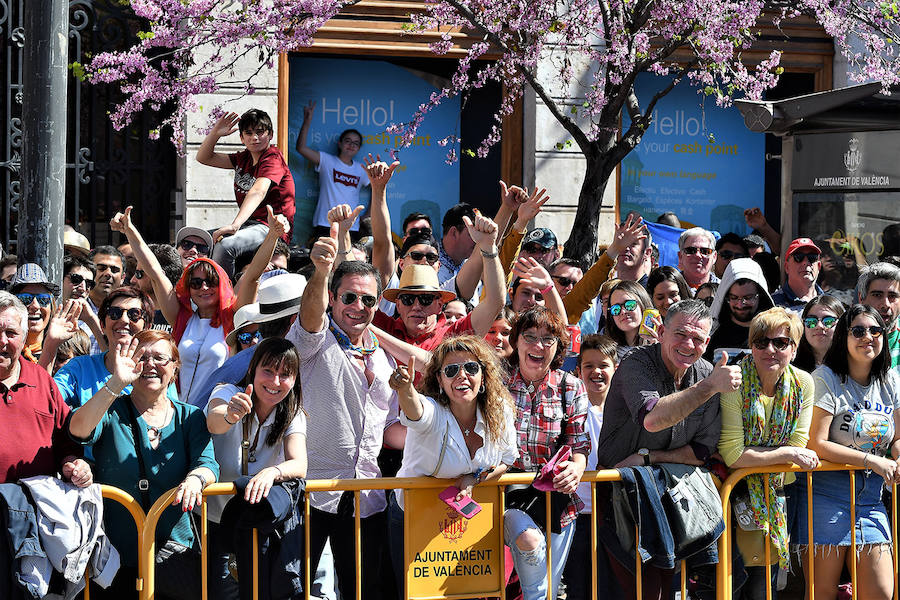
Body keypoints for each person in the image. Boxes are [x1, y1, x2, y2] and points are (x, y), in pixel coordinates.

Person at [286, 226, 404, 599]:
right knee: (298, 590)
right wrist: (320, 272)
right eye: (349, 297)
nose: (359, 307)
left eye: (368, 301)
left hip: (366, 496)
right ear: (333, 299)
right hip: (312, 494)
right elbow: (309, 318)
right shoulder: (314, 339)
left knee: (362, 590)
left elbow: (388, 429)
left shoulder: (383, 358)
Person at [597, 299, 739, 598]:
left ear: (708, 342)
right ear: (660, 331)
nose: (688, 344)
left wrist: (651, 457)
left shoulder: (707, 373)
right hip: (622, 499)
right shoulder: (637, 362)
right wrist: (708, 388)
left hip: (677, 500)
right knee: (641, 592)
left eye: (698, 338)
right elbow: (653, 419)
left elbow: (701, 451)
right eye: (680, 334)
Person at [67, 330, 219, 600]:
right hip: (115, 558)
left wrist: (196, 479)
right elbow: (78, 429)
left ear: (174, 367)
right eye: (142, 357)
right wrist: (116, 382)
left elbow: (208, 464)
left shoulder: (190, 416)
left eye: (160, 358)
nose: (150, 364)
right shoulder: (111, 410)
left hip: (174, 555)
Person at [110, 205, 285, 405]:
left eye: (211, 281)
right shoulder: (182, 317)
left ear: (221, 285)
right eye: (196, 283)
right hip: (174, 412)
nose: (204, 287)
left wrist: (273, 235)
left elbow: (253, 275)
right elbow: (155, 273)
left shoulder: (234, 317)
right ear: (188, 289)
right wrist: (130, 230)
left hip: (214, 414)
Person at [386, 335, 516, 594]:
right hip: (414, 516)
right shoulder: (433, 411)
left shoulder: (500, 410)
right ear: (440, 380)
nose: (462, 376)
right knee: (421, 595)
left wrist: (474, 479)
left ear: (483, 375)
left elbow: (506, 461)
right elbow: (416, 411)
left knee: (467, 592)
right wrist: (405, 389)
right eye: (451, 370)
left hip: (465, 520)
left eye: (470, 368)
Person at [793, 305, 900, 600]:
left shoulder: (889, 380)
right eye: (858, 330)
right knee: (822, 594)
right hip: (825, 497)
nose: (868, 337)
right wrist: (871, 460)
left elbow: (897, 438)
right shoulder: (825, 377)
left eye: (875, 330)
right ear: (844, 336)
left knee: (880, 593)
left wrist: (898, 456)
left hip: (871, 499)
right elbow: (816, 442)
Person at [718, 307, 819, 599]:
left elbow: (799, 445)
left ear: (795, 349)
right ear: (751, 346)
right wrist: (784, 452)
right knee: (731, 589)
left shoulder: (803, 383)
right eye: (761, 342)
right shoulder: (735, 382)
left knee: (764, 590)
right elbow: (733, 454)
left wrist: (775, 454)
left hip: (775, 498)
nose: (770, 349)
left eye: (781, 343)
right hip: (731, 501)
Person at [205, 337, 308, 599]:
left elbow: (300, 463)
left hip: (254, 523)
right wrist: (231, 415)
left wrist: (273, 472)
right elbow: (214, 422)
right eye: (269, 371)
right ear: (253, 369)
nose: (275, 382)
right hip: (213, 519)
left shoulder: (293, 411)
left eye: (285, 375)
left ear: (294, 380)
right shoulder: (228, 391)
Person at [505, 306, 589, 600]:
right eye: (529, 336)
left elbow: (579, 446)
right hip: (506, 492)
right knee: (534, 572)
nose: (538, 345)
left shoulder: (571, 387)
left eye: (548, 339)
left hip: (556, 499)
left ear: (559, 347)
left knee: (547, 592)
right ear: (515, 341)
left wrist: (576, 470)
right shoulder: (496, 381)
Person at [0, 291, 91, 486]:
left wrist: (74, 466)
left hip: (35, 510)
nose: (2, 341)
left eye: (11, 333)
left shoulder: (42, 379)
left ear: (24, 338)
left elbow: (67, 443)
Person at [198, 108, 296, 278]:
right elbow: (204, 157)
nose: (255, 137)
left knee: (225, 246)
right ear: (242, 138)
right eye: (248, 133)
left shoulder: (273, 158)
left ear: (270, 134)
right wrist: (215, 133)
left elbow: (258, 190)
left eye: (260, 132)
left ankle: (224, 299)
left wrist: (235, 225)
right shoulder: (242, 159)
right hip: (249, 225)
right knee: (197, 241)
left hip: (272, 228)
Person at [563, 334, 621, 600]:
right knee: (580, 585)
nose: (596, 372)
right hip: (578, 511)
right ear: (578, 370)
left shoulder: (624, 408)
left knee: (611, 586)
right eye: (588, 366)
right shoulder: (570, 408)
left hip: (613, 511)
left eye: (603, 365)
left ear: (615, 369)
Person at [52, 287, 174, 409]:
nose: (124, 320)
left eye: (134, 314)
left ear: (147, 326)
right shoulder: (81, 368)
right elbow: (43, 400)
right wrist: (50, 344)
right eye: (115, 313)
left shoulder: (157, 371)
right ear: (102, 325)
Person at [296, 101, 369, 241]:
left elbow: (378, 187)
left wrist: (368, 214)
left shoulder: (361, 169)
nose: (351, 145)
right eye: (348, 141)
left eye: (356, 143)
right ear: (340, 143)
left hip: (350, 226)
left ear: (359, 148)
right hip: (325, 223)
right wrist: (307, 121)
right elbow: (301, 148)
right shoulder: (327, 161)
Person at [705, 258, 775, 362]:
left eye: (747, 298)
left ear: (760, 295)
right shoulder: (713, 334)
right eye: (734, 298)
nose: (740, 304)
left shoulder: (773, 333)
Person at [9, 263, 59, 362]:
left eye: (43, 299)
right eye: (25, 298)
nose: (35, 306)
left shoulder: (64, 351)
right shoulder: (4, 350)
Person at [857, 262, 900, 368]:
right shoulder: (846, 339)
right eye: (877, 295)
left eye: (892, 296)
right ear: (861, 298)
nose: (885, 304)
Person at [793, 296, 846, 373]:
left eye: (828, 321)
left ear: (841, 324)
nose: (819, 326)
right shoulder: (792, 369)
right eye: (811, 321)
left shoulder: (854, 366)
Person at [605, 280, 656, 359]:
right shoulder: (604, 353)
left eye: (629, 304)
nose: (623, 311)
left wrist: (659, 350)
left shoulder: (663, 345)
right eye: (616, 309)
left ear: (643, 304)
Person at [771, 238, 824, 314]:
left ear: (818, 266)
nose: (806, 262)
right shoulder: (772, 304)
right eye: (799, 257)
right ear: (787, 267)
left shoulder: (831, 303)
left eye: (812, 257)